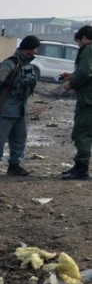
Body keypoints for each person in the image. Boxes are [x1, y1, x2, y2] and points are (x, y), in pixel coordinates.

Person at [0, 35, 40, 177]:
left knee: (20, 137)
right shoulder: (10, 64)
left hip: (21, 108)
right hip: (6, 107)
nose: (36, 52)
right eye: (35, 49)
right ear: (30, 49)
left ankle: (15, 165)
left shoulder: (27, 65)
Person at [59, 24, 92, 180]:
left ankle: (81, 169)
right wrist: (71, 75)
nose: (78, 45)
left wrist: (70, 84)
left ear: (84, 38)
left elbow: (85, 72)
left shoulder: (88, 49)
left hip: (88, 100)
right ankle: (79, 166)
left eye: (78, 41)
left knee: (81, 133)